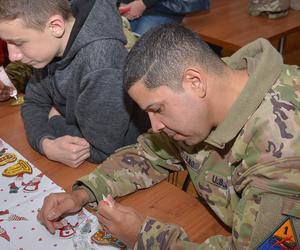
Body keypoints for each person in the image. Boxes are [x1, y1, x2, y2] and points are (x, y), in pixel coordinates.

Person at [38, 24, 300, 249]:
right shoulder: (217, 88)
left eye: (157, 109)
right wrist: (83, 194)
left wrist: (145, 237)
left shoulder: (283, 154)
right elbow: (147, 155)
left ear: (195, 82)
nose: (155, 126)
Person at [0, 0, 149, 167]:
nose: (12, 56)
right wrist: (45, 143)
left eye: (18, 43)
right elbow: (33, 103)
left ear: (55, 26)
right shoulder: (48, 48)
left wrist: (55, 119)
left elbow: (102, 150)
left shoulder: (102, 63)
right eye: (7, 42)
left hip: (126, 163)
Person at [118, 0, 185, 35]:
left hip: (164, 9)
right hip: (132, 6)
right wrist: (124, 3)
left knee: (141, 48)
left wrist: (143, 3)